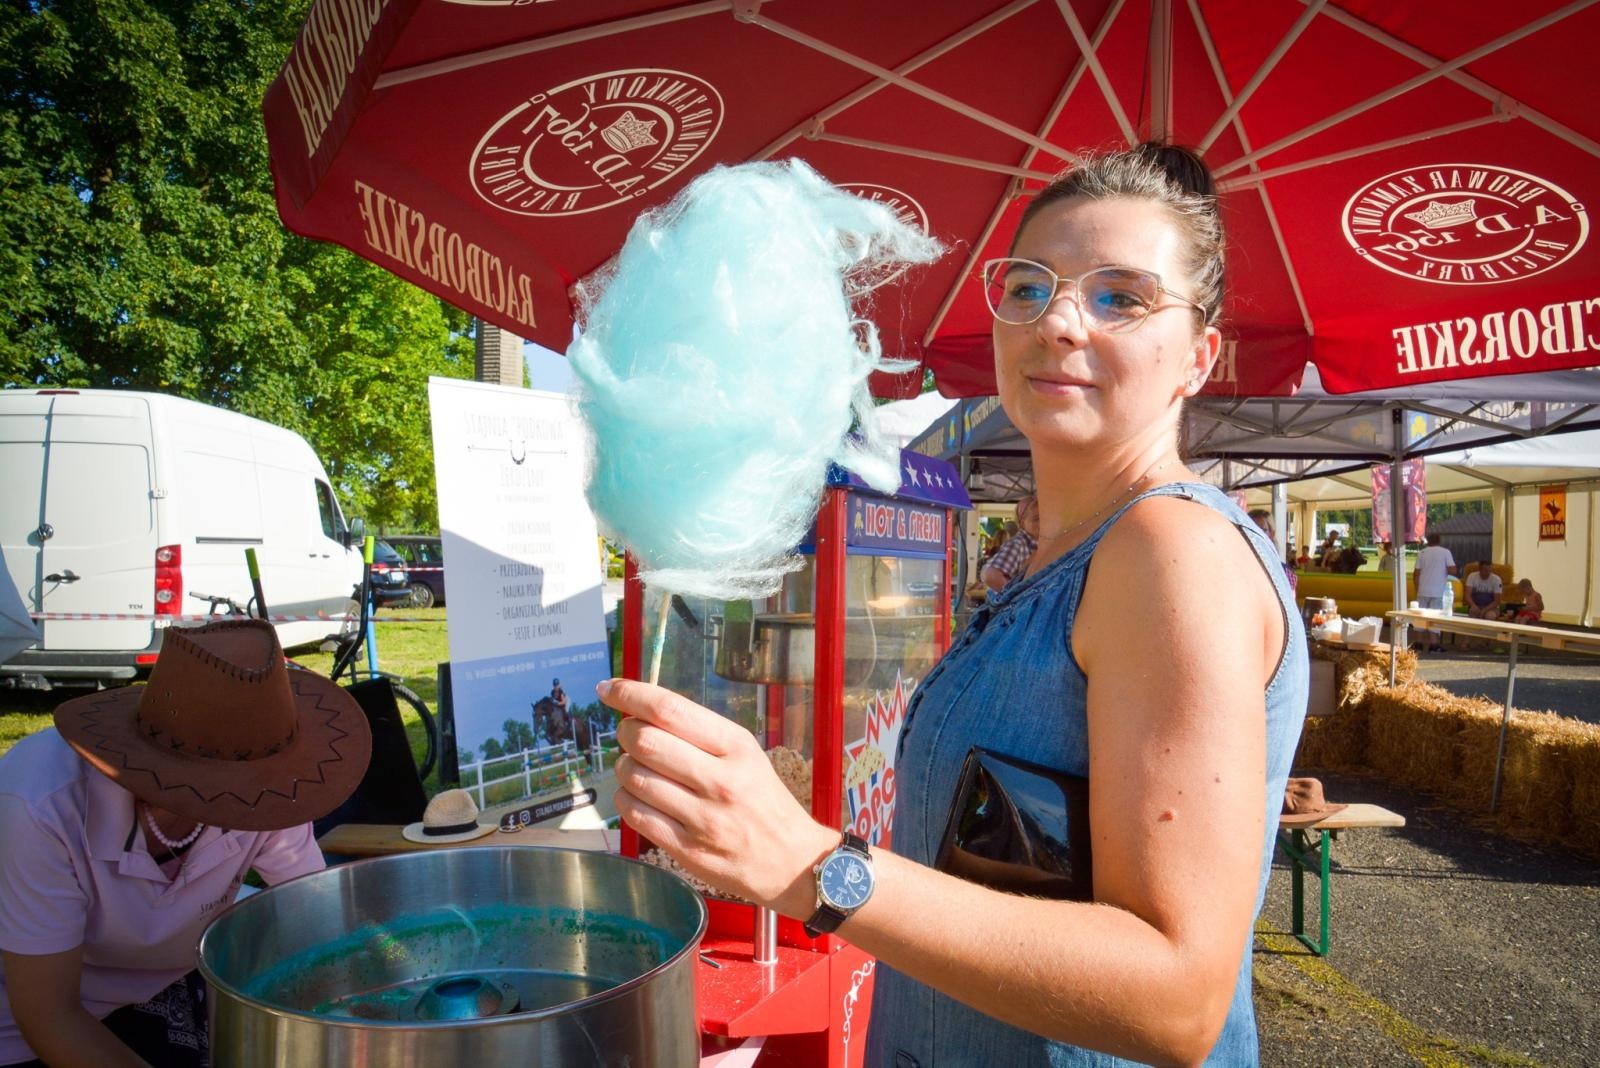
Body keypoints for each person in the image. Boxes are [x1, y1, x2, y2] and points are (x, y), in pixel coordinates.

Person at [601, 144, 1307, 1065]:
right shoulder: (1053, 553)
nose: (1058, 321)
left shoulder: (1172, 552)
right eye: (1029, 285)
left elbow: (1177, 998)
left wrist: (806, 865)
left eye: (1121, 296)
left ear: (1198, 357)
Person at [0, 619, 372, 1068]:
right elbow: (49, 1015)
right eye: (236, 784)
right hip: (32, 1018)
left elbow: (321, 915)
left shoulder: (271, 782)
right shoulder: (39, 805)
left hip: (171, 983)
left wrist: (387, 986)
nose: (263, 800)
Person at [981, 495, 1039, 592]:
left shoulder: (1035, 544)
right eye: (1036, 519)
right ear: (1022, 522)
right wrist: (1017, 597)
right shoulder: (1018, 544)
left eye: (1044, 518)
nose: (1041, 523)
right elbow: (991, 576)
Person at [1413, 532, 1458, 653]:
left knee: (1420, 617)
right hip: (1438, 591)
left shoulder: (1422, 553)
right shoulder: (1445, 552)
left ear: (1428, 540)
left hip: (1423, 590)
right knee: (1435, 617)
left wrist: (1417, 588)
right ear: (1439, 540)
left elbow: (1416, 573)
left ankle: (1418, 643)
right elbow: (1453, 570)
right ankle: (1434, 644)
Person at [1248, 508, 1296, 592]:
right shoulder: (1235, 567)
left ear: (1272, 534)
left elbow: (1287, 603)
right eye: (1250, 529)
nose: (1256, 534)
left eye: (1262, 530)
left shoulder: (1284, 573)